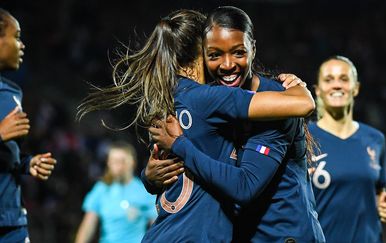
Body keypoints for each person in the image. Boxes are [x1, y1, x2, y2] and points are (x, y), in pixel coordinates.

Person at [77, 9, 316, 242]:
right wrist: (299, 88)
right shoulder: (211, 98)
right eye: (214, 54)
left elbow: (165, 171)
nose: (226, 64)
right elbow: (302, 105)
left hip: (275, 233)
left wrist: (150, 176)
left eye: (235, 52)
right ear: (200, 52)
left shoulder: (167, 102)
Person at [308, 56, 386, 243]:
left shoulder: (375, 139)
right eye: (328, 79)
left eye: (344, 79)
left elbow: (379, 195)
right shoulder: (305, 139)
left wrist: (384, 209)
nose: (336, 85)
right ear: (317, 90)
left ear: (356, 88)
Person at [0, 8, 57, 242]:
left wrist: (27, 163)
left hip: (11, 220)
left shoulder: (12, 92)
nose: (21, 45)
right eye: (16, 37)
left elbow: (7, 154)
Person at [75, 141, 157, 243]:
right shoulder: (101, 189)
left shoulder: (145, 190)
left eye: (121, 161)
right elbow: (88, 226)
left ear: (132, 162)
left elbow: (156, 227)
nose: (117, 166)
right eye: (113, 161)